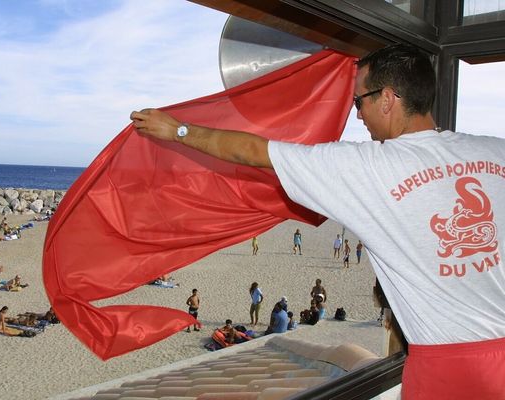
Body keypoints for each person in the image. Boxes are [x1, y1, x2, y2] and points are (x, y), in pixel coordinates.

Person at [130, 43, 505, 398]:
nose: (357, 113)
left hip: (450, 366)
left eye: (359, 101)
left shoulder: (367, 167)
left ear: (388, 99)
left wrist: (177, 130)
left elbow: (253, 150)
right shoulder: (494, 152)